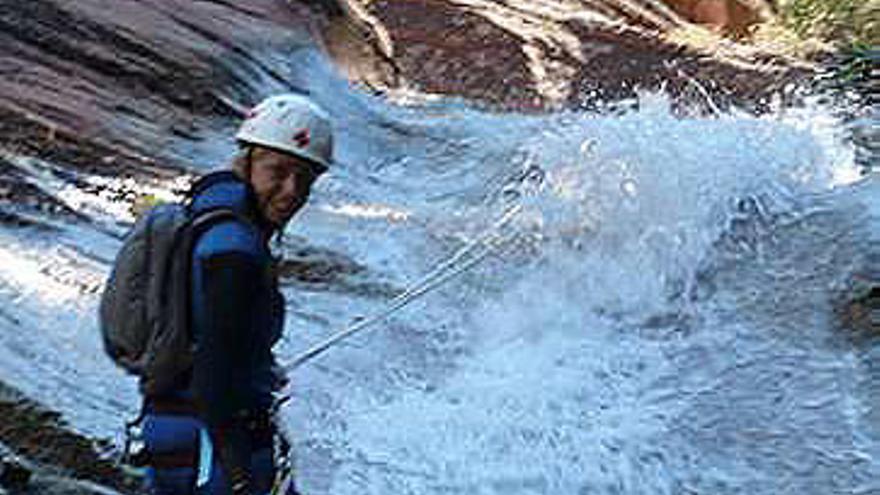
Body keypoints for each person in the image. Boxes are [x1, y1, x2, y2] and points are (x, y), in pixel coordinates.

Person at [140, 93, 332, 495]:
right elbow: (214, 368)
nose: (290, 191)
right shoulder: (235, 250)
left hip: (170, 425)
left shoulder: (207, 211)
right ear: (246, 162)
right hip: (213, 443)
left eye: (305, 179)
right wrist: (240, 473)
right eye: (277, 171)